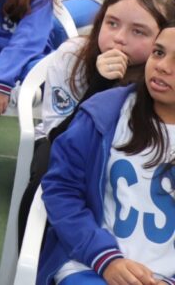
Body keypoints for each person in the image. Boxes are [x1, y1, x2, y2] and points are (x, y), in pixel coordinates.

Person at [17, 0, 175, 238]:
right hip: (61, 139)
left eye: (138, 31)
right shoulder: (72, 57)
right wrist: (100, 85)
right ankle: (32, 256)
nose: (119, 37)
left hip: (135, 148)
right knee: (45, 179)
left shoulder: (162, 73)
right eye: (112, 23)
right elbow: (59, 137)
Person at [38, 22, 175, 285]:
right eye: (158, 52)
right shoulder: (104, 113)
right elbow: (61, 189)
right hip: (91, 265)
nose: (162, 66)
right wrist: (106, 258)